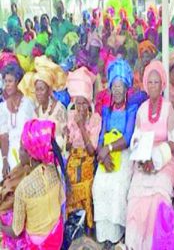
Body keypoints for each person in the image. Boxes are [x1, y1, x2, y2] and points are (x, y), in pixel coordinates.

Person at [126, 61, 174, 249]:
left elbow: (172, 142)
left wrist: (156, 159)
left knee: (158, 198)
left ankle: (155, 244)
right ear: (146, 85)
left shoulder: (168, 108)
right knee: (136, 198)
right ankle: (135, 244)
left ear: (162, 84)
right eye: (150, 82)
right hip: (143, 159)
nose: (153, 86)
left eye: (157, 82)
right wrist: (143, 158)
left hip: (163, 159)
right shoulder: (141, 110)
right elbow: (135, 140)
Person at [92, 59, 139, 249]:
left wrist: (108, 150)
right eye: (114, 86)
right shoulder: (106, 110)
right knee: (100, 185)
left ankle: (117, 235)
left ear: (126, 87)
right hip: (106, 155)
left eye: (120, 86)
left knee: (117, 186)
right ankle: (104, 235)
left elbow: (127, 138)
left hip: (124, 154)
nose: (117, 90)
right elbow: (102, 135)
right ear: (110, 88)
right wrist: (102, 154)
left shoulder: (131, 109)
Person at [0, 119, 65, 249]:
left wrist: (0, 226)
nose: (18, 153)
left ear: (31, 155)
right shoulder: (53, 169)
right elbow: (61, 199)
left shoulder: (24, 188)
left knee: (6, 217)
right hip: (57, 235)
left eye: (21, 149)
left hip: (39, 245)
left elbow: (15, 232)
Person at [66, 67, 101, 231]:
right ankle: (72, 224)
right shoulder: (70, 117)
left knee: (85, 186)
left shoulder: (95, 119)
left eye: (83, 103)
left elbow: (92, 150)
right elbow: (68, 145)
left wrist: (81, 126)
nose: (80, 107)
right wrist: (66, 136)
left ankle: (87, 223)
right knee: (69, 183)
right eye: (77, 103)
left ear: (89, 103)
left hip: (87, 159)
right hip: (73, 158)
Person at [18, 56, 67, 149]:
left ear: (49, 90)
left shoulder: (59, 108)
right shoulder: (36, 111)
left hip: (57, 155)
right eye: (37, 90)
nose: (39, 93)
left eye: (42, 89)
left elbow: (65, 137)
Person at [0, 63, 35, 179]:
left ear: (18, 82)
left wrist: (23, 152)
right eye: (5, 82)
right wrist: (5, 159)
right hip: (8, 150)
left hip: (25, 149)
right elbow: (4, 136)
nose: (7, 85)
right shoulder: (2, 107)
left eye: (10, 81)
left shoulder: (28, 103)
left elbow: (29, 131)